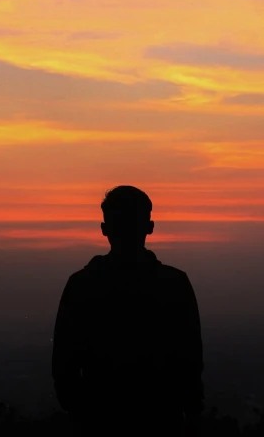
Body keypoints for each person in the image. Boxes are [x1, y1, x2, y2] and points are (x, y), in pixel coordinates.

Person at [52, 185, 204, 436]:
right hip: (159, 416)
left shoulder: (83, 284)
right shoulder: (173, 283)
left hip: (100, 417)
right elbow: (189, 356)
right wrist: (192, 410)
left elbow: (64, 359)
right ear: (150, 227)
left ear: (104, 230)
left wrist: (78, 410)